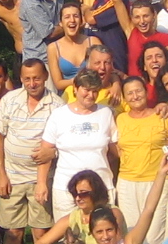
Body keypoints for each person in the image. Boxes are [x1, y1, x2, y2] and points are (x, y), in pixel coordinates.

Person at [0, 58, 57, 244]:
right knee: (13, 233)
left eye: (36, 78)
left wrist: (53, 152)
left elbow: (62, 142)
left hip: (42, 180)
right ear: (20, 79)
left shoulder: (56, 105)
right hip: (12, 177)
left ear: (45, 77)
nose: (32, 83)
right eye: (27, 79)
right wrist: (1, 174)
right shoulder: (9, 100)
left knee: (41, 233)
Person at [38, 72, 117, 216]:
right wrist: (41, 183)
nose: (91, 95)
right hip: (66, 188)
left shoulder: (106, 113)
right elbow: (45, 153)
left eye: (95, 91)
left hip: (100, 186)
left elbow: (115, 150)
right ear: (75, 88)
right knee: (66, 229)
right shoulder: (58, 115)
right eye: (86, 90)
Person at [114, 76, 168, 244]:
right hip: (127, 182)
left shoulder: (162, 115)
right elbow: (115, 147)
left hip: (157, 181)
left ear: (147, 92)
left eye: (138, 91)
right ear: (124, 98)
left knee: (154, 238)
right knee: (132, 234)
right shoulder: (120, 119)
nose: (135, 96)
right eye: (129, 93)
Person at [46, 2, 92, 94]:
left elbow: (108, 70)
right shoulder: (53, 48)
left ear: (81, 20)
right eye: (67, 17)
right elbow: (58, 83)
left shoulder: (92, 42)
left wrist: (116, 85)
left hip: (92, 94)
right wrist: (81, 81)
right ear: (61, 23)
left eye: (76, 16)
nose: (72, 20)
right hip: (68, 96)